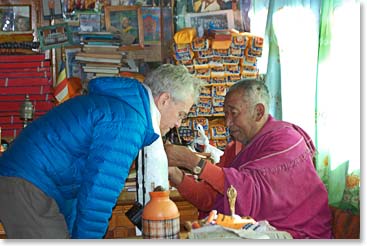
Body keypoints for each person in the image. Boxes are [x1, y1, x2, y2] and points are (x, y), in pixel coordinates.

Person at [0, 64, 204, 239]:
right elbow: (99, 195)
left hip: (31, 180)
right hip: (28, 182)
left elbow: (84, 190)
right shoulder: (128, 122)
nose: (178, 124)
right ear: (164, 100)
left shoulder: (125, 109)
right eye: (181, 114)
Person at [165, 79, 333, 239]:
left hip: (294, 232)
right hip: (255, 229)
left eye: (234, 113)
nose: (228, 123)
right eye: (225, 114)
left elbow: (246, 189)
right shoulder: (236, 149)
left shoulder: (286, 140)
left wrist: (192, 162)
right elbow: (211, 199)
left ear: (258, 112)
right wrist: (176, 175)